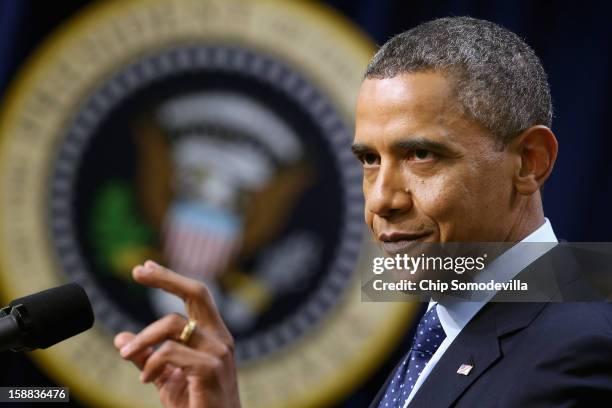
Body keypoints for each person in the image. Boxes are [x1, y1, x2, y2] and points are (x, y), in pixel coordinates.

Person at [113, 17, 612, 408]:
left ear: (530, 162)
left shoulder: (583, 348)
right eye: (370, 160)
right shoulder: (446, 330)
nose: (381, 200)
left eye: (421, 155)